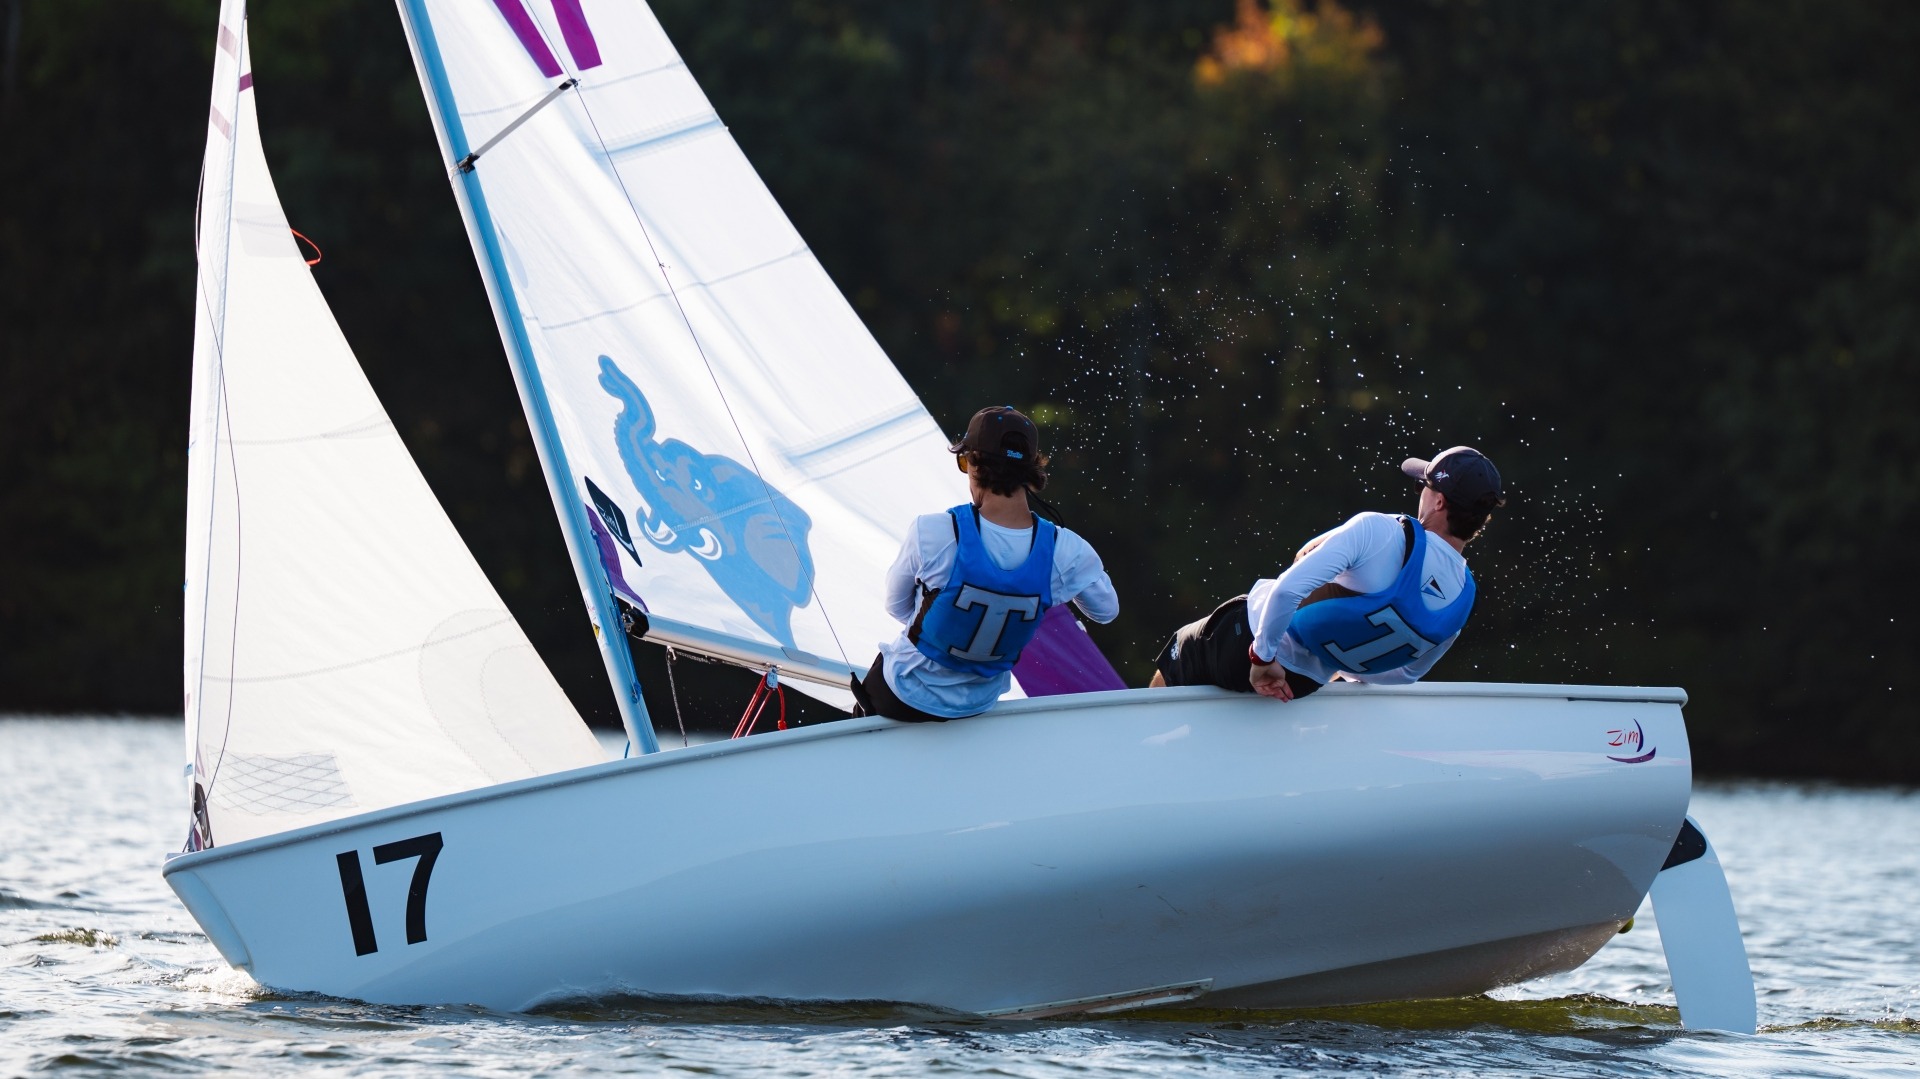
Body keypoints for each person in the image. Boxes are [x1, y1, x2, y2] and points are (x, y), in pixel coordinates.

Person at [1151, 446, 1505, 701]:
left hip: (1246, 643)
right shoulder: (1463, 596)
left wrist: (1262, 659)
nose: (1419, 494)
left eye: (1423, 486)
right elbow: (1406, 673)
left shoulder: (1381, 532)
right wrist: (1341, 665)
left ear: (1439, 501)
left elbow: (1287, 592)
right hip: (1302, 684)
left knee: (1165, 679)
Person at [852, 406, 1119, 721]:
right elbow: (1105, 612)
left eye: (963, 461)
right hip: (978, 705)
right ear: (1032, 472)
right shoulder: (1068, 550)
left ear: (974, 463)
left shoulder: (934, 530)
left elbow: (896, 607)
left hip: (902, 695)